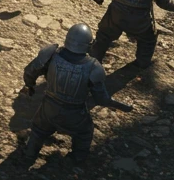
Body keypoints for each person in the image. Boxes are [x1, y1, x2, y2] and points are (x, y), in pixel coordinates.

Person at [22, 24, 129, 165]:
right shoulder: (93, 67)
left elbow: (30, 71)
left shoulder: (51, 55)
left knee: (38, 131)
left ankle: (29, 156)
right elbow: (100, 98)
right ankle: (77, 158)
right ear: (89, 45)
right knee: (84, 133)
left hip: (49, 106)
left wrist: (30, 85)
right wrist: (112, 103)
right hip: (74, 113)